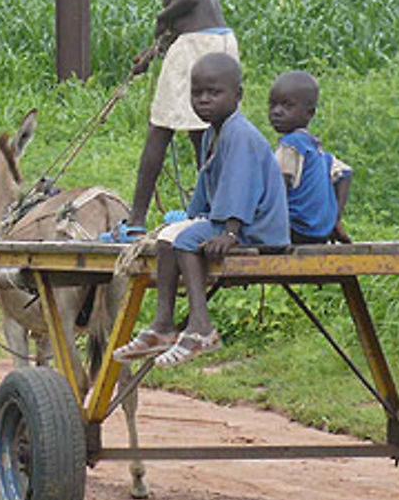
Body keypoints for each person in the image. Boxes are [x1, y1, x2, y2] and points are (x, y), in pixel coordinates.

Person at [113, 53, 288, 366]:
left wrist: (231, 232)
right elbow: (208, 183)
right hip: (232, 223)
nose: (204, 100)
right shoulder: (212, 132)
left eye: (214, 93)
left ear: (238, 95)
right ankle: (163, 325)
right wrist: (193, 218)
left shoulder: (240, 134)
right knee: (169, 237)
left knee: (186, 241)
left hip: (256, 228)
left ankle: (201, 328)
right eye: (197, 93)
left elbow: (241, 184)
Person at [103, 0, 239, 242]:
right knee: (203, 134)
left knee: (159, 131)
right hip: (219, 42)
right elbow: (196, 14)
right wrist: (152, 53)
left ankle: (135, 219)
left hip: (195, 47)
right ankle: (210, 210)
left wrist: (160, 18)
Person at [268, 70, 353, 243]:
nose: (277, 112)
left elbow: (278, 188)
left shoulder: (290, 145)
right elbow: (345, 173)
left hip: (296, 229)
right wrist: (334, 218)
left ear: (309, 113)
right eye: (272, 105)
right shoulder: (315, 147)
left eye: (287, 106)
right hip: (319, 232)